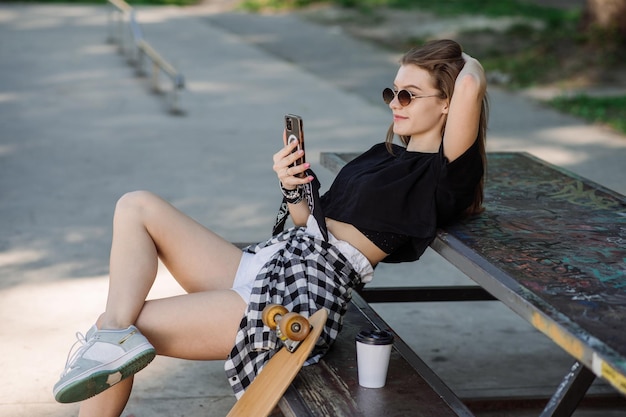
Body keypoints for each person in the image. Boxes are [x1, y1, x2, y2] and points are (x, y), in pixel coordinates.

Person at [53, 39, 488, 416]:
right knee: (136, 206)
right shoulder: (383, 154)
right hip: (274, 260)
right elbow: (310, 221)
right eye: (391, 92)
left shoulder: (445, 175)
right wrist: (293, 186)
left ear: (447, 102)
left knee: (123, 329)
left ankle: (109, 341)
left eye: (409, 95)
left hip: (301, 296)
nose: (394, 103)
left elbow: (470, 80)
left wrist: (453, 58)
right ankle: (110, 339)